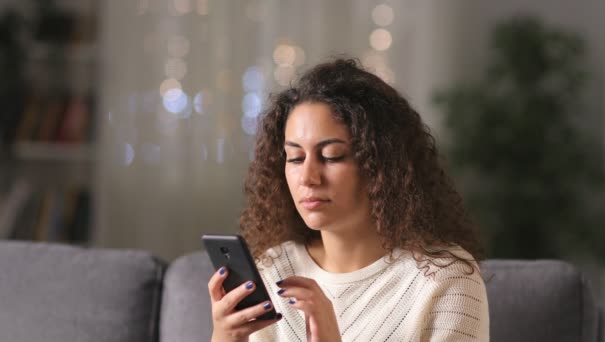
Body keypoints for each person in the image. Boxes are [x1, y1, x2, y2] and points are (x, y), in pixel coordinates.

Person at [207, 58, 489, 341]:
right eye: (295, 158)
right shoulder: (273, 270)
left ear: (380, 164)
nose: (308, 177)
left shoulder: (444, 280)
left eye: (331, 156)